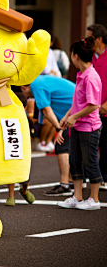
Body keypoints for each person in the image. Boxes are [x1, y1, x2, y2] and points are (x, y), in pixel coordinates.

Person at [58, 36, 103, 210]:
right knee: (75, 161)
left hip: (89, 127)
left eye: (71, 54)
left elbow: (93, 105)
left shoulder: (90, 77)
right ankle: (77, 196)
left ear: (76, 55)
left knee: (89, 161)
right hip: (77, 125)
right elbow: (78, 102)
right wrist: (67, 115)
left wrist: (74, 117)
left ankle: (94, 199)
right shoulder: (81, 75)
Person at [21, 74, 75, 196]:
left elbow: (46, 109)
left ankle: (64, 185)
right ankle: (72, 182)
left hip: (73, 112)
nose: (28, 99)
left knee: (62, 147)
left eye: (26, 97)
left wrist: (58, 128)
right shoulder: (41, 79)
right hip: (74, 109)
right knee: (72, 148)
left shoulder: (35, 85)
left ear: (23, 88)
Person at [5, 92, 35, 206]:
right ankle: (11, 196)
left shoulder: (28, 120)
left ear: (25, 107)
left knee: (25, 175)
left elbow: (31, 137)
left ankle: (24, 190)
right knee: (11, 173)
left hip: (24, 151)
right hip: (11, 149)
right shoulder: (8, 119)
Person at [87, 24, 107, 190]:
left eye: (90, 37)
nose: (88, 40)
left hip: (106, 108)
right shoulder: (89, 57)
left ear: (99, 39)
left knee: (106, 144)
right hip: (92, 110)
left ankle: (104, 177)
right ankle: (94, 176)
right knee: (92, 144)